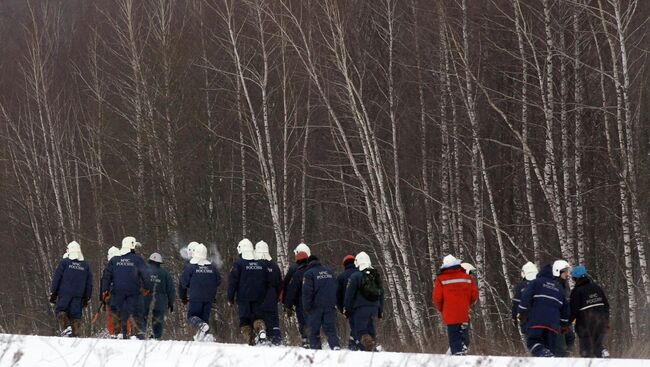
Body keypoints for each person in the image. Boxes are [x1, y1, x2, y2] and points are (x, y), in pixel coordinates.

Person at [100, 236, 150, 339]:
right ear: (132, 246)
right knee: (135, 312)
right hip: (134, 291)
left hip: (117, 291)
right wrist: (146, 287)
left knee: (116, 311)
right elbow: (146, 275)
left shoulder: (114, 260)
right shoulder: (137, 259)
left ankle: (117, 333)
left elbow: (106, 276)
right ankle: (137, 335)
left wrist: (105, 290)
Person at [518, 263, 570, 357]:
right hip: (553, 325)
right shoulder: (559, 288)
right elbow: (565, 309)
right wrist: (564, 325)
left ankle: (543, 352)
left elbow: (525, 298)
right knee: (550, 349)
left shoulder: (535, 283)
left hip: (536, 321)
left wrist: (521, 314)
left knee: (533, 342)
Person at [433, 255, 478, 355]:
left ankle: (458, 356)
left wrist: (442, 309)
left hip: (450, 313)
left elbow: (437, 298)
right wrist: (466, 304)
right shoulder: (467, 277)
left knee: (454, 337)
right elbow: (474, 295)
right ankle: (463, 349)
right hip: (464, 312)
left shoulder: (441, 279)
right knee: (463, 334)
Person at [227, 238, 268, 345]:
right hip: (259, 296)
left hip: (243, 297)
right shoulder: (261, 264)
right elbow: (266, 281)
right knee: (258, 317)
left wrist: (230, 298)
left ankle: (249, 339)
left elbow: (233, 282)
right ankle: (261, 330)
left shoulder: (239, 264)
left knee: (244, 320)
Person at [50, 241, 93, 337]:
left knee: (61, 310)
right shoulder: (85, 265)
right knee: (76, 315)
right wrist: (87, 297)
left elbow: (57, 278)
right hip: (78, 295)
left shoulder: (64, 263)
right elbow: (89, 283)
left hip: (64, 293)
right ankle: (76, 335)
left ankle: (66, 328)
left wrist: (53, 293)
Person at [180, 243, 221, 342]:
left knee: (192, 316)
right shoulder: (213, 268)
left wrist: (191, 286)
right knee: (204, 318)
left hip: (196, 297)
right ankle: (204, 337)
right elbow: (218, 281)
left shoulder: (191, 267)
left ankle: (201, 326)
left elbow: (183, 282)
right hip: (209, 298)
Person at [344, 251, 384, 352]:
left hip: (361, 308)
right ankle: (373, 350)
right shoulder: (375, 275)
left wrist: (347, 309)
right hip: (374, 307)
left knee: (360, 330)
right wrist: (380, 311)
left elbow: (349, 294)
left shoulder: (355, 276)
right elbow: (381, 293)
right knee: (370, 328)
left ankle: (368, 347)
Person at [569, 265, 610, 358]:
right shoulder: (597, 288)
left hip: (585, 326)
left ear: (575, 278)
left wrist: (566, 323)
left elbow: (573, 310)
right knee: (597, 345)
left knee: (586, 351)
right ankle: (603, 353)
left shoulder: (577, 291)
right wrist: (606, 321)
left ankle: (598, 355)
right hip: (601, 323)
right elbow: (606, 305)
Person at [302, 254, 340, 350]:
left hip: (316, 307)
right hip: (330, 305)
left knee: (313, 331)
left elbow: (307, 292)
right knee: (330, 330)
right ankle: (335, 347)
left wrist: (306, 307)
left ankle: (316, 350)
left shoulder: (309, 273)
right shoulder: (329, 271)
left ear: (308, 263)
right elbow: (336, 287)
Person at [255, 240, 283, 345]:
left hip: (258, 296)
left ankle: (261, 340)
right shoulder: (275, 266)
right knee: (273, 321)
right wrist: (276, 297)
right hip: (271, 296)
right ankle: (276, 341)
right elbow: (280, 284)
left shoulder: (255, 265)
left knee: (258, 319)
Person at [282, 249, 311, 347]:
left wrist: (287, 305)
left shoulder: (297, 272)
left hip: (300, 301)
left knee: (303, 321)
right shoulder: (314, 270)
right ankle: (313, 339)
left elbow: (291, 288)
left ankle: (306, 340)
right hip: (314, 302)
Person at [143, 252, 175, 339]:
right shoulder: (165, 273)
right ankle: (157, 338)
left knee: (142, 318)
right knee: (158, 321)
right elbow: (171, 289)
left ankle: (142, 336)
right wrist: (171, 302)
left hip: (145, 300)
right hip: (160, 302)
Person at [552, 260, 576, 356]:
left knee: (570, 338)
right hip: (557, 322)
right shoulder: (555, 285)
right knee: (560, 345)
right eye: (565, 271)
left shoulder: (564, 284)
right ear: (558, 271)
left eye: (567, 271)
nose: (567, 274)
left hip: (565, 321)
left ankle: (565, 358)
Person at [336, 255, 357, 350]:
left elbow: (337, 295)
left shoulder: (341, 277)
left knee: (353, 326)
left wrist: (341, 309)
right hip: (363, 306)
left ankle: (353, 345)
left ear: (344, 264)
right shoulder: (361, 273)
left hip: (348, 307)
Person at [512, 262, 538, 334]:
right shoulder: (542, 284)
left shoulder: (520, 286)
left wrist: (514, 318)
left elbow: (516, 303)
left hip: (527, 322)